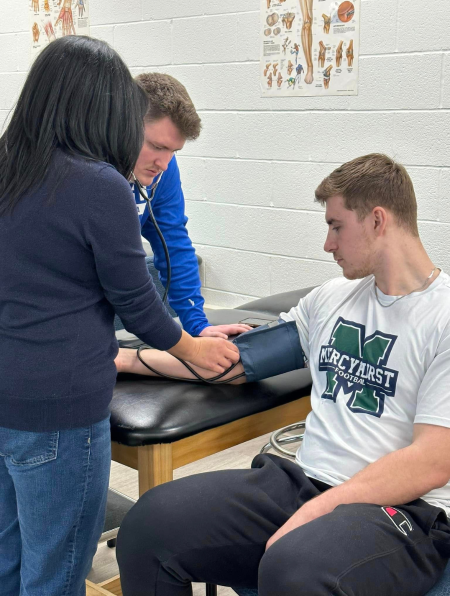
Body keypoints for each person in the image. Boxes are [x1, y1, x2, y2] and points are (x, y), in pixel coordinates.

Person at [116, 154, 450, 596]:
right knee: (149, 525)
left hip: (404, 511)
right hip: (301, 484)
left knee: (295, 569)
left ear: (377, 220)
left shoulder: (442, 317)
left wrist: (320, 511)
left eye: (336, 226)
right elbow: (232, 363)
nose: (327, 245)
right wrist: (125, 359)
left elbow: (433, 460)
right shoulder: (332, 297)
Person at [0, 36, 239, 596]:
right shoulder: (98, 182)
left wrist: (188, 327)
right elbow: (136, 300)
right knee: (56, 574)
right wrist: (194, 347)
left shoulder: (10, 166)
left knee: (10, 558)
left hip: (8, 397)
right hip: (62, 409)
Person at [130, 72, 251, 339]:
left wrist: (198, 325)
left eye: (173, 151)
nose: (163, 163)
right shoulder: (85, 170)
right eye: (157, 146)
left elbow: (172, 241)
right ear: (124, 125)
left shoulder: (162, 170)